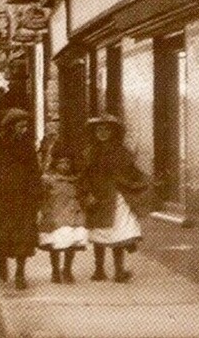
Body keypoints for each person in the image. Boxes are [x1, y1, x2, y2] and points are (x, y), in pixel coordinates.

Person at [80, 114, 149, 283]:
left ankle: (119, 271)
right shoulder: (89, 152)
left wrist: (143, 180)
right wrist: (86, 193)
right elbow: (83, 176)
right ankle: (99, 270)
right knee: (99, 232)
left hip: (116, 196)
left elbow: (131, 170)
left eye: (107, 129)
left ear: (114, 132)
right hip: (98, 196)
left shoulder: (122, 151)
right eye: (99, 130)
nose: (102, 133)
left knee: (118, 233)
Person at [0, 108, 41, 290]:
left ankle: (20, 273)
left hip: (24, 197)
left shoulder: (28, 145)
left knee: (24, 236)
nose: (23, 129)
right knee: (4, 234)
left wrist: (36, 192)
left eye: (25, 126)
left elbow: (34, 170)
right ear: (10, 126)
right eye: (20, 126)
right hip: (4, 197)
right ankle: (1, 260)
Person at [38, 147, 88, 283]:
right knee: (56, 242)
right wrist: (44, 211)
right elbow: (41, 197)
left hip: (73, 214)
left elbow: (82, 194)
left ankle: (67, 269)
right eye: (61, 163)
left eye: (67, 163)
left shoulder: (75, 180)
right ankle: (55, 270)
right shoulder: (48, 179)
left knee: (71, 242)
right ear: (55, 163)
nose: (64, 166)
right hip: (55, 213)